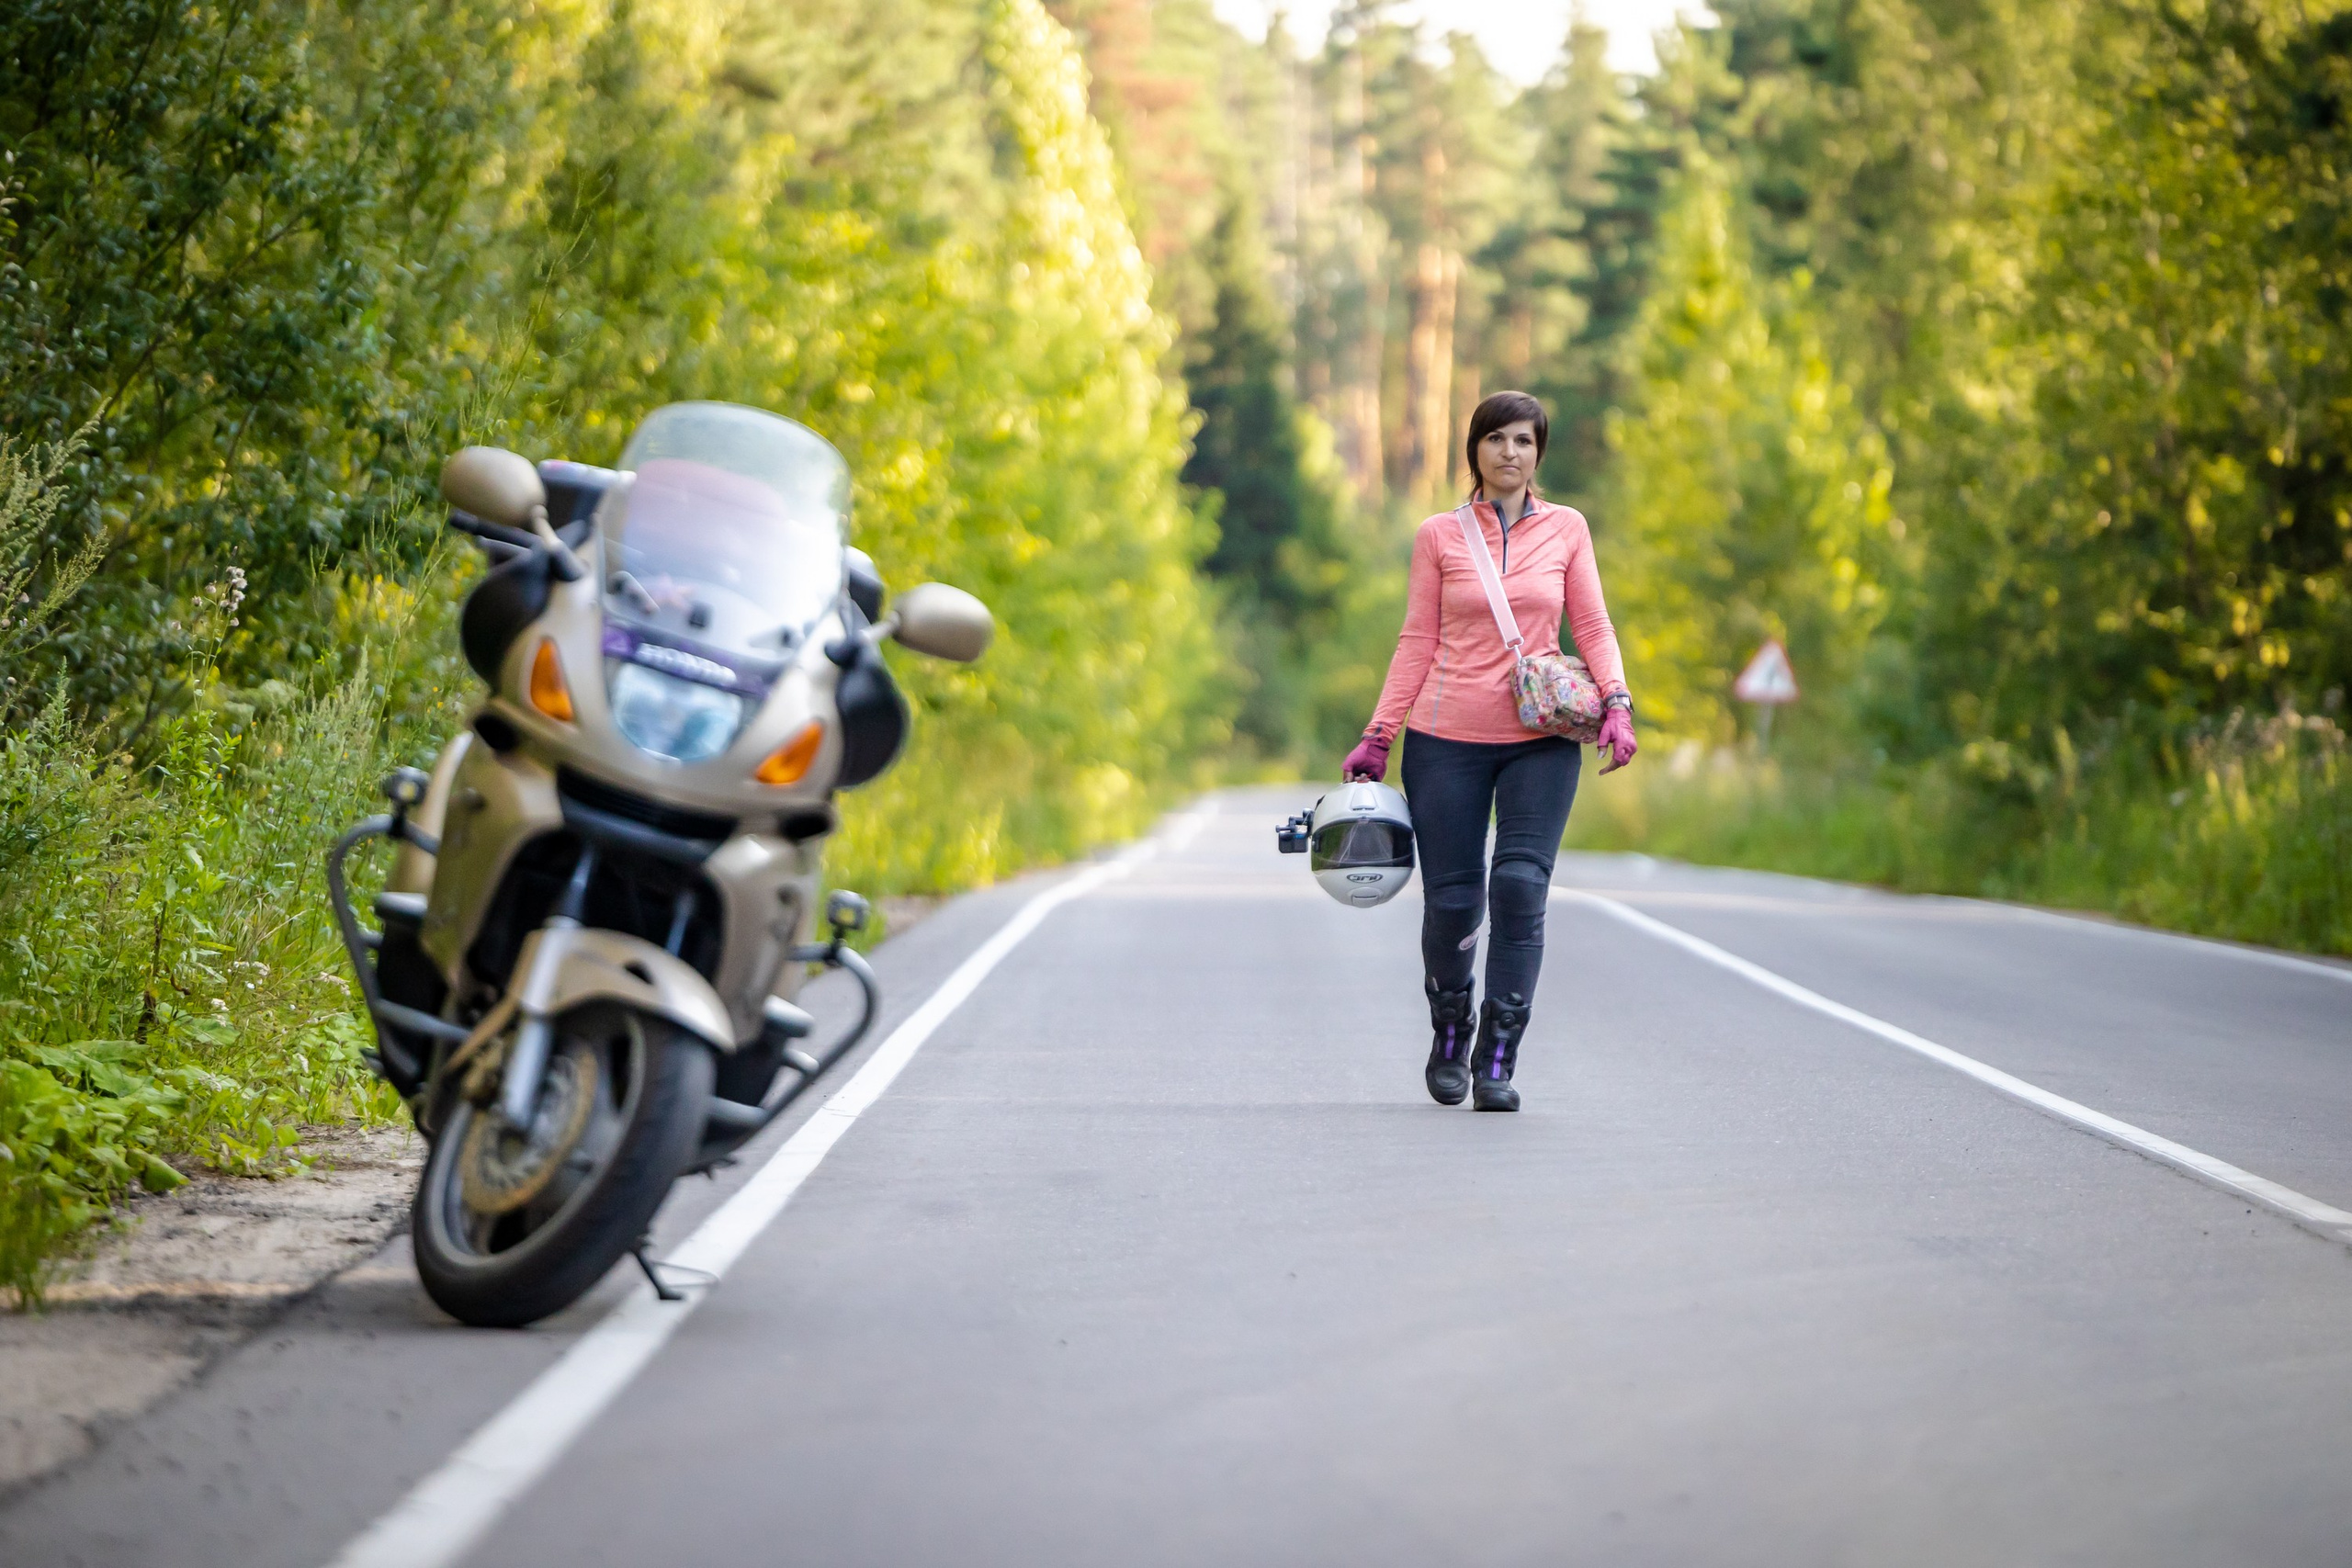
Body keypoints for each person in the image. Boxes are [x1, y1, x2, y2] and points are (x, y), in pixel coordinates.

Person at [1342, 391, 1637, 1111]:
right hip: (1446, 740)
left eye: (1525, 441)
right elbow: (1417, 639)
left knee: (1520, 887)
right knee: (1452, 901)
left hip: (1540, 740)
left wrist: (1619, 702)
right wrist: (1381, 732)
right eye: (1496, 439)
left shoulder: (1567, 529)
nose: (1511, 453)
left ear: (1540, 453)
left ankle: (1499, 1054)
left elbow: (1591, 623)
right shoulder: (1439, 536)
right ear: (1474, 449)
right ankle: (1451, 1030)